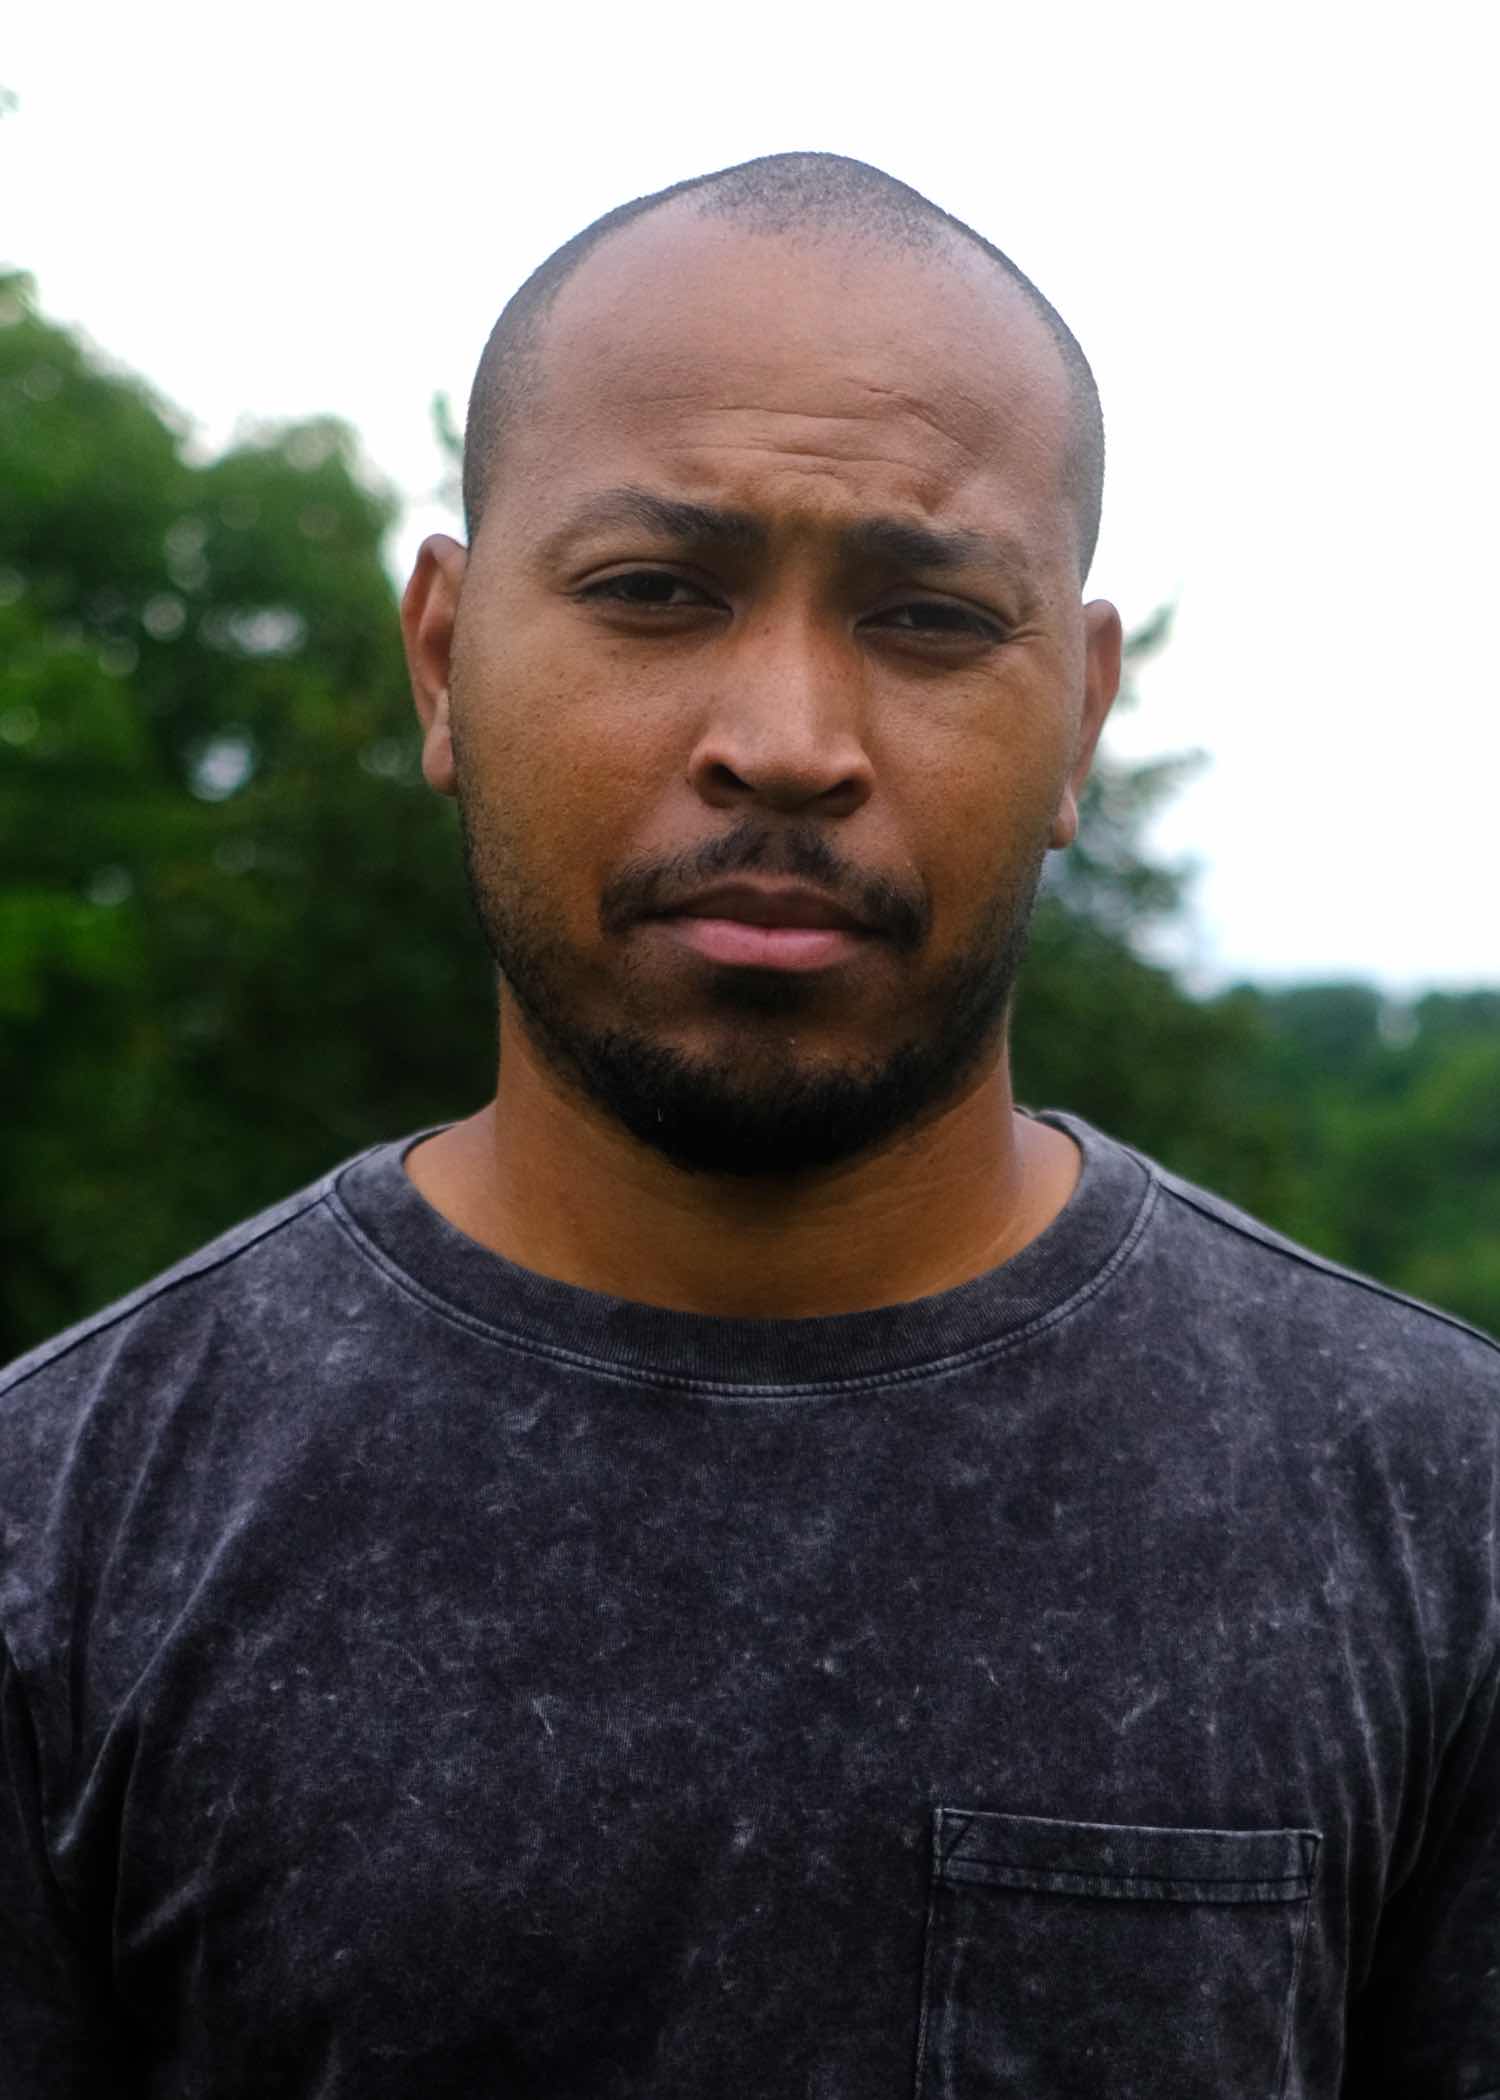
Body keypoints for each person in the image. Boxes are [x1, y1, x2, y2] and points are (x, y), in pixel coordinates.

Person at [0, 152, 1495, 2099]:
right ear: (443, 659)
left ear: (1080, 719)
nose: (787, 742)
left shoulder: (1442, 1515)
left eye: (930, 616)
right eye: (653, 592)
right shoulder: (61, 1538)